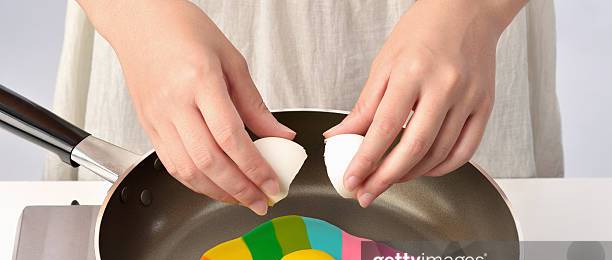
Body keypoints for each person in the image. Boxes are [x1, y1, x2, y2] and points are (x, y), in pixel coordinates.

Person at [45, 0, 562, 215]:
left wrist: (477, 12)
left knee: (450, 177)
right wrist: (138, 23)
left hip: (453, 35)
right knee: (186, 148)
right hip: (169, 29)